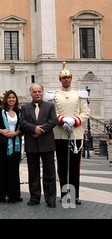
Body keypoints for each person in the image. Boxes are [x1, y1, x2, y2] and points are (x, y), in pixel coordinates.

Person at [46, 62, 90, 205]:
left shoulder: (79, 94)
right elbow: (52, 112)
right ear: (60, 80)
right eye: (64, 78)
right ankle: (64, 194)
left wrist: (74, 120)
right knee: (62, 166)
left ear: (71, 79)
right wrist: (62, 120)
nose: (66, 80)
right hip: (60, 134)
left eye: (68, 78)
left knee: (75, 166)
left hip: (76, 135)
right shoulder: (54, 95)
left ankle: (75, 194)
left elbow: (86, 113)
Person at [20, 84, 58, 208]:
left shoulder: (50, 106)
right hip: (31, 143)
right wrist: (34, 129)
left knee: (50, 173)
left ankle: (51, 199)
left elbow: (53, 121)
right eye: (35, 92)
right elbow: (22, 122)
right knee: (33, 172)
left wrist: (40, 130)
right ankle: (34, 197)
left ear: (42, 92)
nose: (37, 93)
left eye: (39, 91)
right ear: (31, 94)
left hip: (47, 143)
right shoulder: (25, 108)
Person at [0, 90, 23, 203]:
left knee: (13, 170)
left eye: (13, 97)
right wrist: (2, 131)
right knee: (1, 169)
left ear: (16, 99)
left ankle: (13, 194)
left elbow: (23, 128)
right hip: (2, 145)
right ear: (6, 99)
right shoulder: (0, 111)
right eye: (9, 98)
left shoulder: (19, 112)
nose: (11, 100)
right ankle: (1, 194)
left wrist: (15, 133)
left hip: (16, 144)